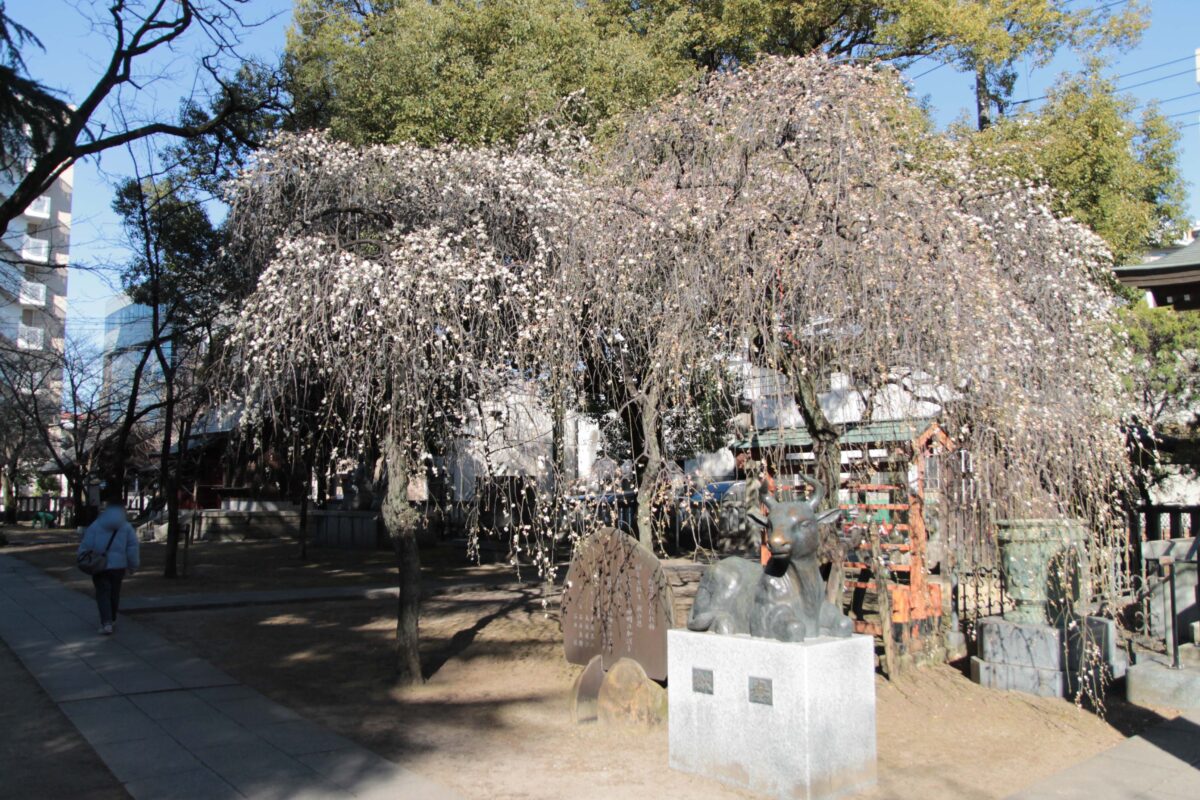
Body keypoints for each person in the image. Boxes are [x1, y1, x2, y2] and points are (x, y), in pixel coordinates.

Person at [77, 501, 139, 635]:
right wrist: (133, 566)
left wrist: (81, 557)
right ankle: (113, 618)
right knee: (114, 593)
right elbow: (132, 549)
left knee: (102, 593)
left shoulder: (96, 525)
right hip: (119, 566)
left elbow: (86, 544)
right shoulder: (127, 527)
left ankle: (106, 622)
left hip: (100, 565)